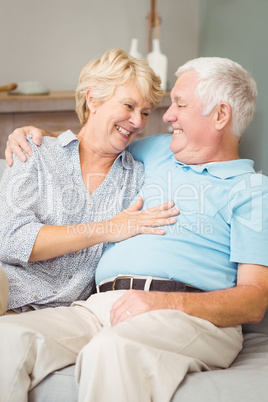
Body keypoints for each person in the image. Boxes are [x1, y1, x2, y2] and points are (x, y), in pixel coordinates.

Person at [1, 56, 268, 402]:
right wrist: (33, 137)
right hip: (102, 306)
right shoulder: (158, 151)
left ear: (220, 116)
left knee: (110, 352)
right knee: (7, 341)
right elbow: (91, 141)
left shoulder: (253, 191)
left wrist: (164, 302)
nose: (164, 117)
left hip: (186, 312)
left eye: (179, 104)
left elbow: (255, 299)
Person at [0, 48, 179, 315]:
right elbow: (11, 241)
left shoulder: (137, 178)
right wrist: (106, 229)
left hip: (73, 315)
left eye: (145, 112)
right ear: (92, 99)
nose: (137, 122)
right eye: (129, 106)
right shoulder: (34, 151)